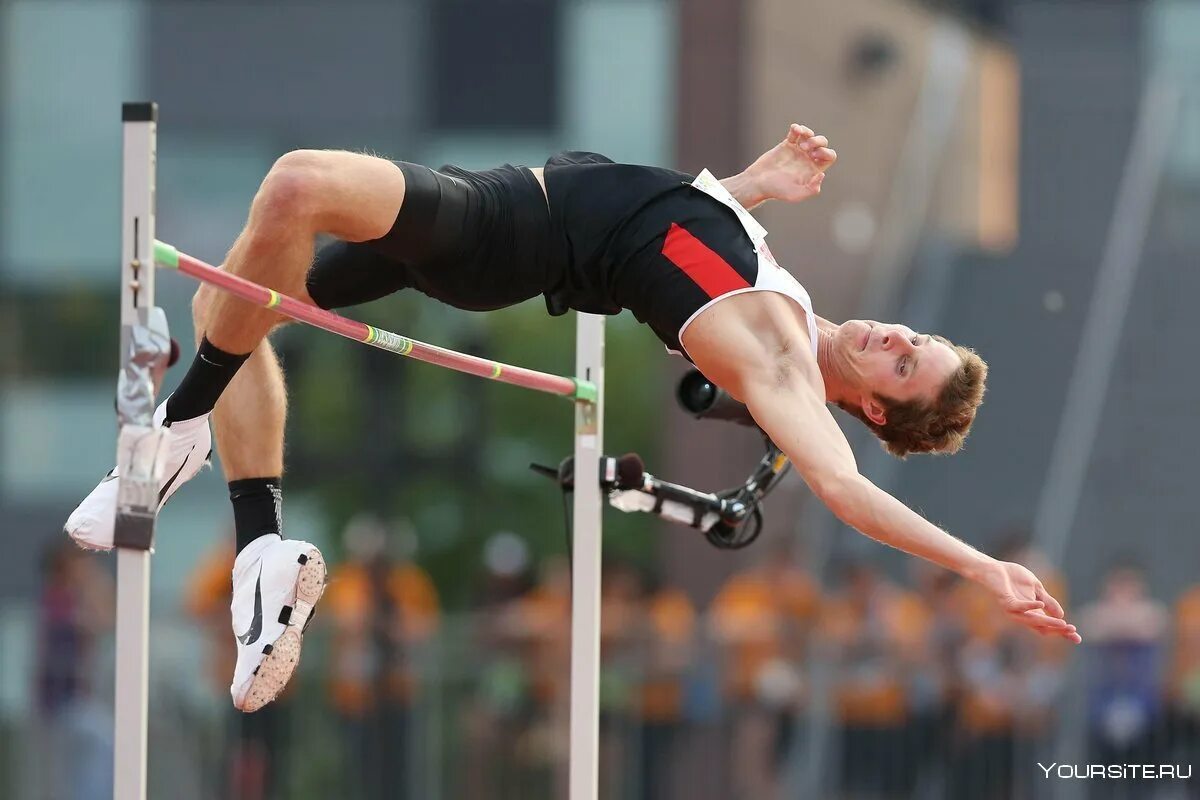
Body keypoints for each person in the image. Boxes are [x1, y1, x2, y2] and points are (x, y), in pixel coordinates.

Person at [65, 122, 1080, 713]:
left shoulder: (781, 362)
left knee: (298, 182)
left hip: (505, 228)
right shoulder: (794, 307)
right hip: (515, 203)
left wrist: (982, 568)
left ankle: (167, 439)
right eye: (913, 334)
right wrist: (754, 184)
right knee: (234, 308)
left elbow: (846, 488)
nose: (894, 336)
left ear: (871, 405)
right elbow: (672, 229)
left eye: (904, 364)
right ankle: (261, 550)